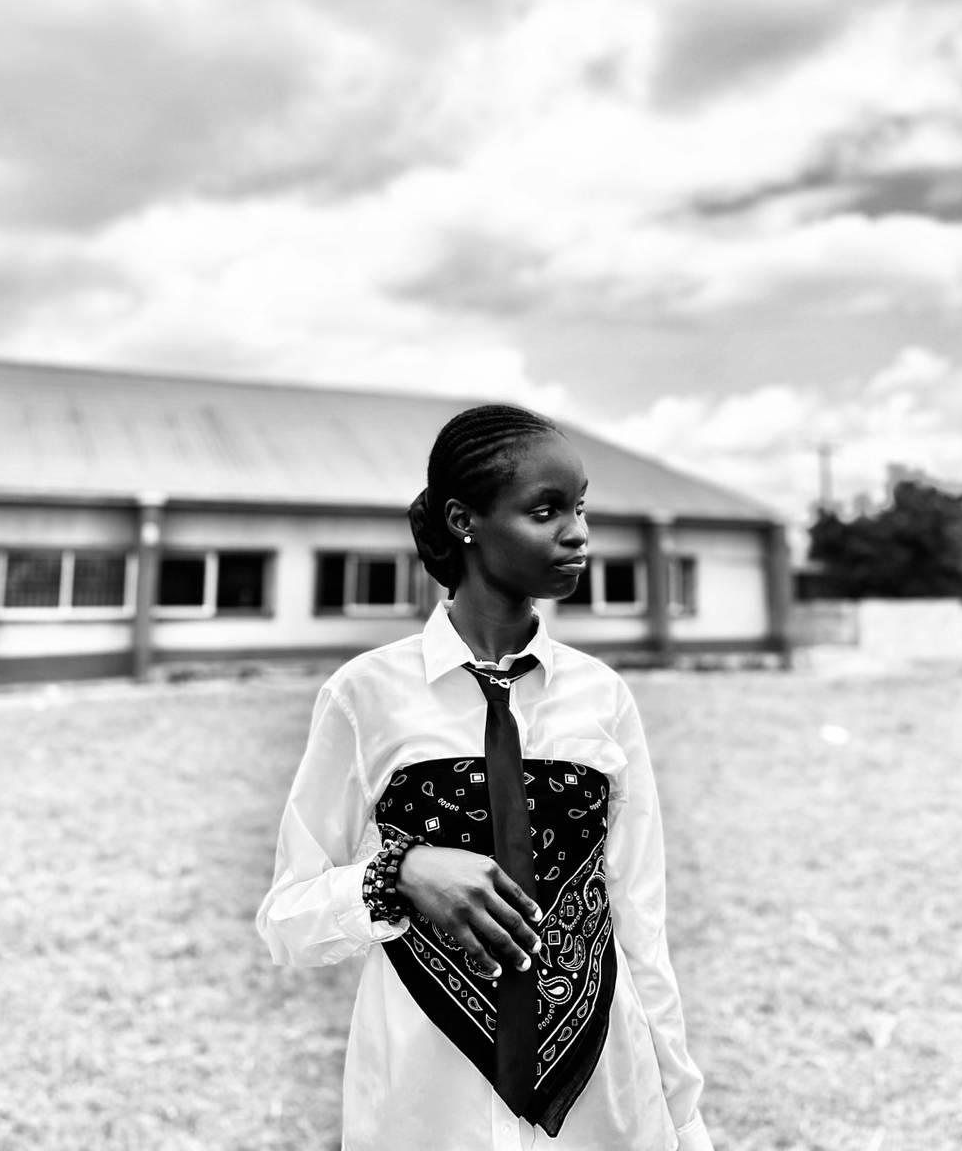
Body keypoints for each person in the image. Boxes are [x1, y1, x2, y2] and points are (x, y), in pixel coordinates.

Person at [257, 404, 714, 1150]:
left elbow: (639, 918)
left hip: (603, 1098)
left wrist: (682, 1117)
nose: (578, 532)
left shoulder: (602, 698)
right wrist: (402, 872)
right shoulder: (364, 696)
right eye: (545, 510)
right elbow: (287, 922)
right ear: (463, 520)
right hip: (426, 1100)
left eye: (580, 508)